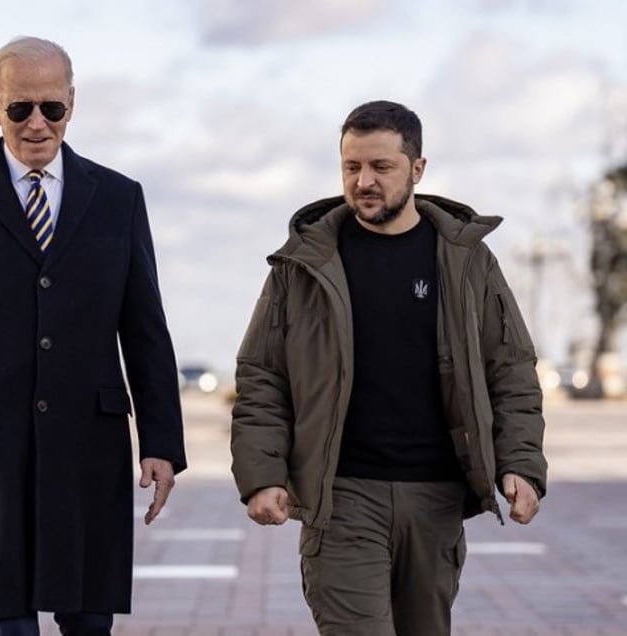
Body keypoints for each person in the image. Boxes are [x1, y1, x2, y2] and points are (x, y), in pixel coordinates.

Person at [0, 36, 186, 636]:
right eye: (21, 108)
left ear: (72, 103)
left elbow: (146, 330)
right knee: (8, 627)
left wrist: (160, 440)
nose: (38, 123)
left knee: (88, 624)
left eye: (53, 107)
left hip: (88, 451)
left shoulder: (119, 199)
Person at [230, 100, 547, 636]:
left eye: (381, 167)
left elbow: (510, 368)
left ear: (418, 169)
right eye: (352, 167)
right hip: (343, 497)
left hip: (437, 499)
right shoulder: (303, 265)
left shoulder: (467, 261)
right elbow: (262, 376)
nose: (364, 181)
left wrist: (520, 463)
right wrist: (261, 476)